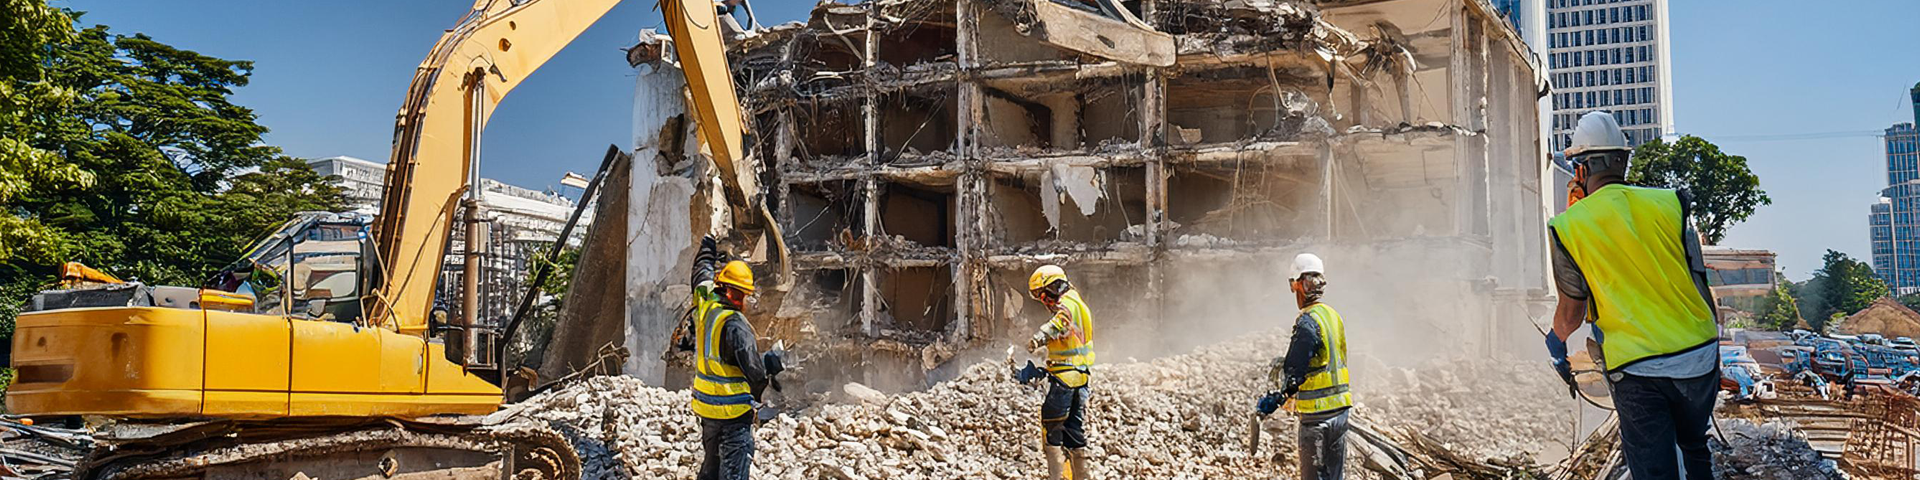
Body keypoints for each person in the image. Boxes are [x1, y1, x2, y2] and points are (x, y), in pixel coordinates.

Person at [1544, 111, 1720, 480]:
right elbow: (1699, 278)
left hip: (1638, 367)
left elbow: (1572, 311)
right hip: (1700, 355)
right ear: (1623, 161)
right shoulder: (1672, 203)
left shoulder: (1567, 226)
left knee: (1654, 469)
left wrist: (1556, 342)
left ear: (1582, 168)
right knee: (1693, 447)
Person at [686, 236, 784, 480]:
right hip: (733, 416)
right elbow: (755, 373)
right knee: (733, 472)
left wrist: (707, 247)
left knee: (710, 467)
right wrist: (770, 365)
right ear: (731, 291)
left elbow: (701, 270)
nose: (743, 301)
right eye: (741, 295)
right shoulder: (737, 326)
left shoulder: (706, 299)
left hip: (706, 410)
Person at [1256, 253, 1351, 480]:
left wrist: (1273, 401)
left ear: (1298, 284)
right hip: (1341, 412)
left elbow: (1294, 375)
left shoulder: (1307, 322)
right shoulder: (1333, 315)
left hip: (1317, 418)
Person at [1024, 265, 1097, 480]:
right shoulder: (1079, 303)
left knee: (1052, 428)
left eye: (1043, 295)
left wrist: (1037, 339)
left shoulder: (1066, 306)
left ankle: (1058, 477)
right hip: (1081, 377)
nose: (1044, 301)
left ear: (1055, 286)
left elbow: (1058, 324)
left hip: (1064, 378)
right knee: (1075, 431)